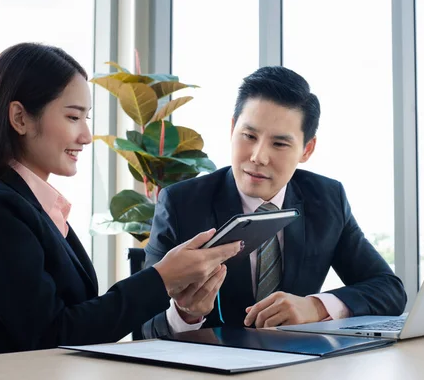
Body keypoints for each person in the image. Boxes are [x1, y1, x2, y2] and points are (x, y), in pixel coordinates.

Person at [0, 43, 241, 359]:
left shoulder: (33, 206)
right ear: (20, 118)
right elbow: (52, 335)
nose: (86, 135)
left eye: (86, 118)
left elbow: (72, 324)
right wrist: (162, 278)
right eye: (73, 117)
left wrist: (173, 291)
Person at [141, 66, 407, 338]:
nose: (258, 156)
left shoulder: (326, 199)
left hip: (298, 364)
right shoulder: (182, 204)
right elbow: (144, 326)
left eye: (279, 144)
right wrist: (186, 314)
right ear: (232, 128)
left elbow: (389, 289)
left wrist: (315, 307)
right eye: (249, 136)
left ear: (307, 149)